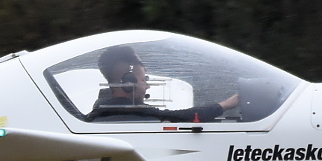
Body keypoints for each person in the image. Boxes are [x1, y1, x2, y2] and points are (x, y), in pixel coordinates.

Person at [90, 44, 241, 121]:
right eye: (144, 80)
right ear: (128, 83)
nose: (147, 86)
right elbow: (180, 116)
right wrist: (226, 105)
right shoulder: (129, 113)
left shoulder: (102, 111)